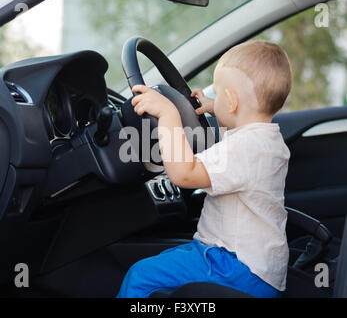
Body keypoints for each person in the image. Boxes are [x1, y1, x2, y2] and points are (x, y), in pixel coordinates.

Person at [116, 40, 292, 298]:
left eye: (220, 95)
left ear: (232, 102)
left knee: (141, 277)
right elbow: (235, 141)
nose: (215, 100)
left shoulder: (245, 147)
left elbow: (183, 174)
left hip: (234, 267)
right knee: (168, 259)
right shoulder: (264, 141)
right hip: (258, 268)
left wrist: (168, 115)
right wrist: (214, 107)